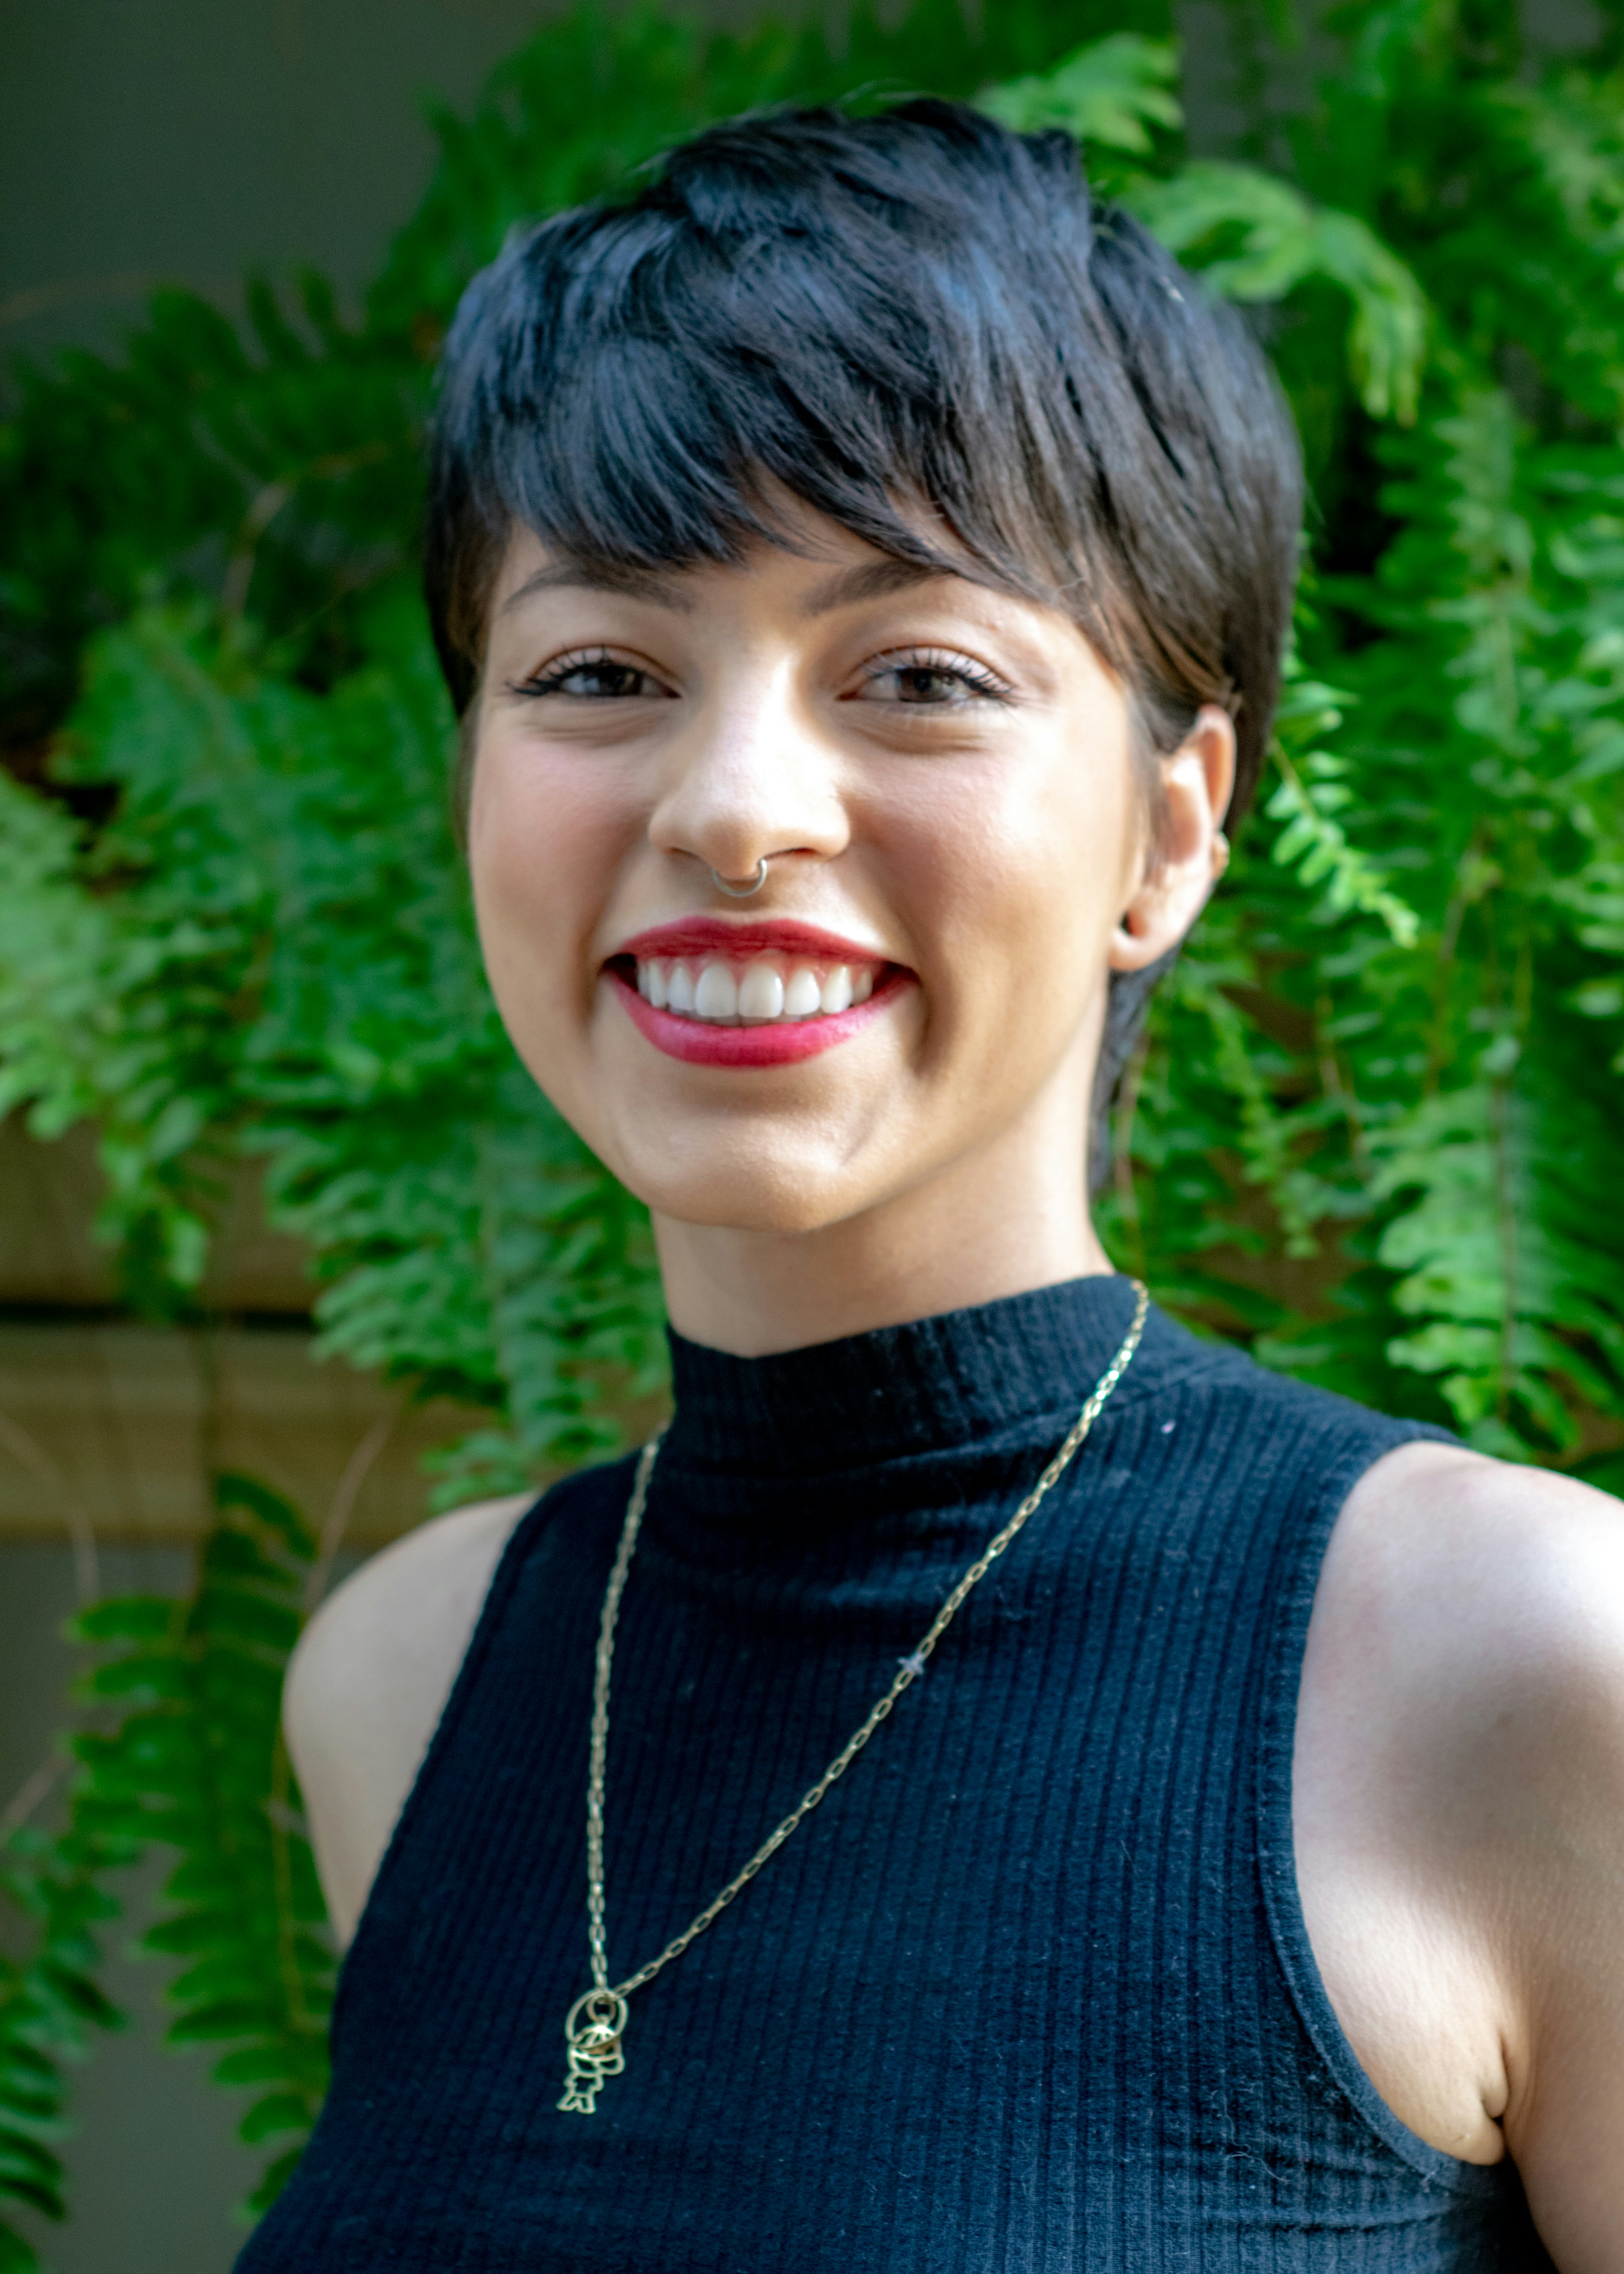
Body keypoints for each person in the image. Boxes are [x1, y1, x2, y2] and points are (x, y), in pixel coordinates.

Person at [238, 102, 1621, 2273]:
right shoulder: (405, 1682)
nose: (735, 807)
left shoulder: (1521, 1666)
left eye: (919, 677)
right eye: (600, 672)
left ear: (1172, 831)